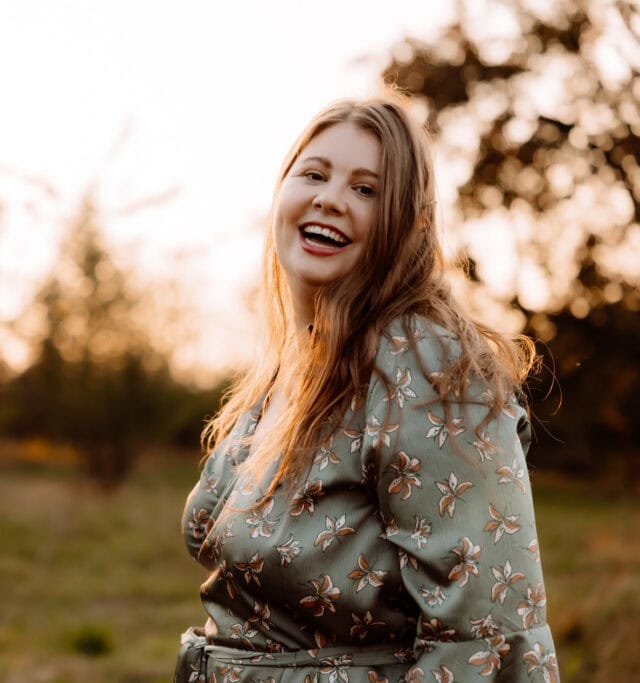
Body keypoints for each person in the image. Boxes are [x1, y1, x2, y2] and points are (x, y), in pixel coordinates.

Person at [177, 93, 559, 682]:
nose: (330, 198)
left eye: (366, 189)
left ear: (406, 222)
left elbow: (488, 634)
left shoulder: (428, 367)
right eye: (314, 174)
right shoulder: (294, 366)